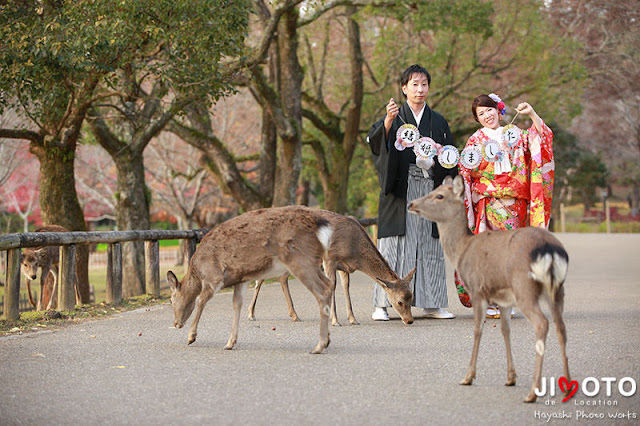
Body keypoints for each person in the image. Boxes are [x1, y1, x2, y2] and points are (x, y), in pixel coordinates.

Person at [367, 64, 458, 321]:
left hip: (429, 186)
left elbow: (450, 156)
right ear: (404, 88)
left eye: (424, 84)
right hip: (400, 187)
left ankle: (432, 303)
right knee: (393, 246)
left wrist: (437, 164)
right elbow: (375, 143)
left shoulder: (438, 121)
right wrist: (387, 121)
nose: (420, 89)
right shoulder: (394, 116)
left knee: (428, 244)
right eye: (414, 84)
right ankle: (381, 305)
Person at [457, 93, 554, 318]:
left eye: (489, 109)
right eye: (481, 113)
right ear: (477, 119)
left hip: (515, 203)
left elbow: (542, 141)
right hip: (489, 202)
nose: (487, 115)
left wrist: (531, 114)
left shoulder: (516, 134)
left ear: (498, 110)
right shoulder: (475, 140)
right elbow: (466, 171)